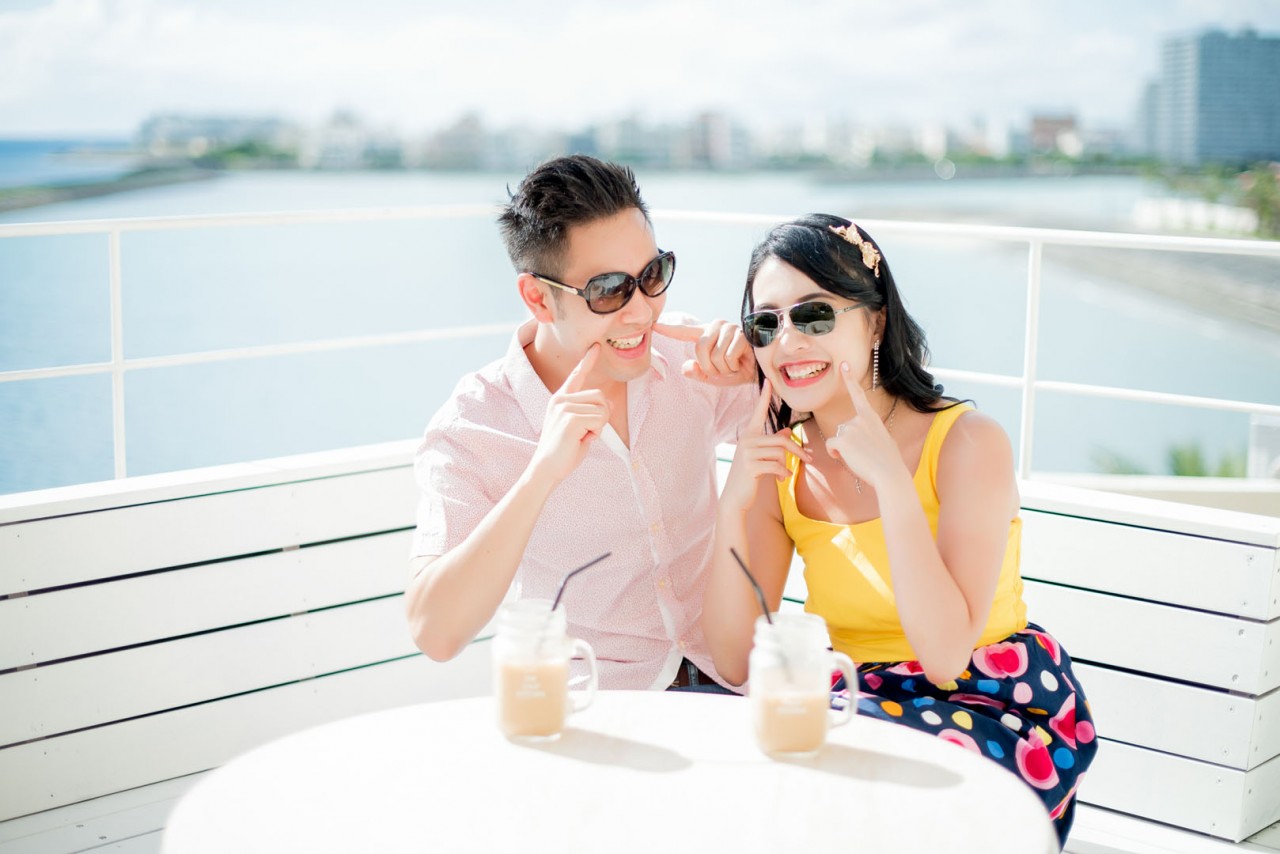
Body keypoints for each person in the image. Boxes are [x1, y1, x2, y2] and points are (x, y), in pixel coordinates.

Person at [702, 214, 1096, 845]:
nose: (788, 342)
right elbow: (731, 657)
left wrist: (893, 484)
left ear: (876, 321)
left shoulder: (967, 443)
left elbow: (944, 657)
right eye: (765, 323)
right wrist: (733, 502)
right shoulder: (782, 463)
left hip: (985, 702)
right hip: (848, 699)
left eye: (814, 315)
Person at [405, 154, 756, 693]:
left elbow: (822, 431)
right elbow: (435, 632)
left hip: (733, 677)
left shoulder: (691, 360)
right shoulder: (475, 425)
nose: (641, 312)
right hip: (598, 702)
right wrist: (541, 474)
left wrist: (763, 369)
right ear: (538, 298)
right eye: (609, 290)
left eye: (652, 276)